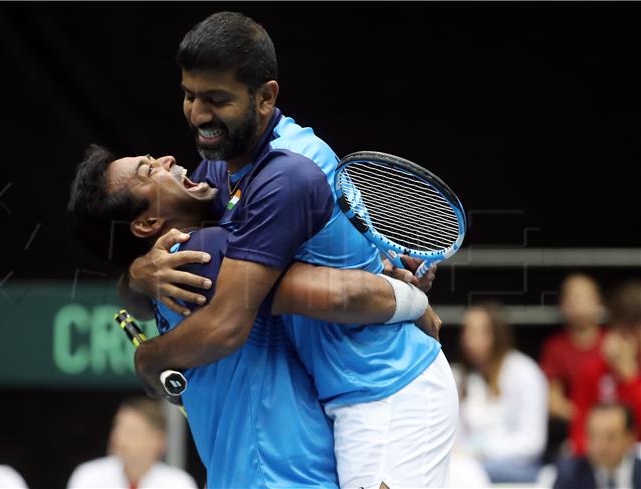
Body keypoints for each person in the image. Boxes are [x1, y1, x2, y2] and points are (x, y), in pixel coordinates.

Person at [119, 11, 456, 488]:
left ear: (265, 97)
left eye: (216, 99)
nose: (198, 114)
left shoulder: (288, 173)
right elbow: (195, 242)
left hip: (386, 391)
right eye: (190, 96)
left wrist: (147, 360)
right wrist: (139, 270)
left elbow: (229, 321)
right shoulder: (223, 167)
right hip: (339, 399)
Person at [68, 145, 436, 488]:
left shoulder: (164, 274)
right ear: (147, 225)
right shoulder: (201, 253)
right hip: (283, 476)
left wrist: (135, 280)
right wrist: (413, 299)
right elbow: (345, 294)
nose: (166, 159)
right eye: (149, 171)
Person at [458, 303, 549, 483]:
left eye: (477, 331)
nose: (468, 339)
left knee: (465, 474)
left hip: (520, 465)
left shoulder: (524, 372)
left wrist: (481, 450)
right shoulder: (465, 377)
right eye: (466, 331)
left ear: (496, 335)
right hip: (473, 461)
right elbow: (460, 437)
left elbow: (532, 443)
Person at [571, 280, 641, 456]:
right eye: (622, 332)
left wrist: (631, 379)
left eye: (634, 331)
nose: (628, 340)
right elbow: (579, 433)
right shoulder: (594, 369)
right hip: (602, 458)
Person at [541, 274, 606, 458]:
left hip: (613, 430)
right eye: (571, 298)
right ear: (562, 305)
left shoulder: (612, 345)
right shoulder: (556, 348)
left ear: (599, 303)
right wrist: (588, 421)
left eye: (584, 297)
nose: (577, 304)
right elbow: (554, 401)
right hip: (573, 434)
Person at [67, 397, 197, 489]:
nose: (118, 439)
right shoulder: (88, 476)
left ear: (158, 441)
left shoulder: (179, 484)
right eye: (117, 428)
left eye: (131, 432)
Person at [553, 403, 641, 489]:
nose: (600, 447)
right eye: (593, 436)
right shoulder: (569, 475)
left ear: (630, 438)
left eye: (610, 437)